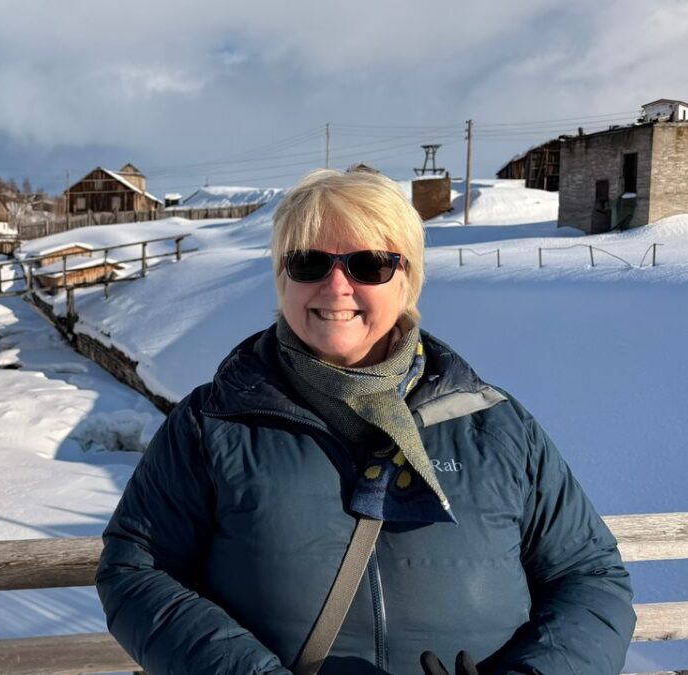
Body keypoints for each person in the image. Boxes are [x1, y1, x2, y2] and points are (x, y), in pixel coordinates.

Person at [95, 169, 635, 675]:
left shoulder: (493, 426)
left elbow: (588, 576)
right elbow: (138, 571)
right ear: (281, 279)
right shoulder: (213, 425)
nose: (336, 287)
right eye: (308, 262)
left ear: (408, 280)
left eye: (369, 263)